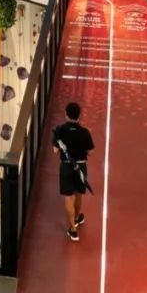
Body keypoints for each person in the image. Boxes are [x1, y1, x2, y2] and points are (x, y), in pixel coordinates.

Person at [53, 102, 94, 243]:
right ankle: (76, 218)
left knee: (68, 197)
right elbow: (90, 152)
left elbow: (55, 150)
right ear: (79, 116)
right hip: (80, 167)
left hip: (66, 166)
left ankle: (73, 229)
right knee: (78, 194)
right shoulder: (85, 132)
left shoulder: (59, 130)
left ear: (66, 115)